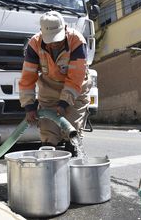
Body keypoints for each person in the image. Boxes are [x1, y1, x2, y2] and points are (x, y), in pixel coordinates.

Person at [19, 11, 91, 156]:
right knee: (48, 131)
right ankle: (49, 169)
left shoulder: (76, 41)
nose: (55, 44)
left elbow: (75, 78)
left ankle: (74, 166)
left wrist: (64, 103)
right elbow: (27, 78)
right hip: (49, 88)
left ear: (64, 29)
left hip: (76, 89)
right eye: (50, 41)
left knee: (72, 131)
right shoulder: (34, 44)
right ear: (41, 33)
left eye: (57, 40)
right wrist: (29, 106)